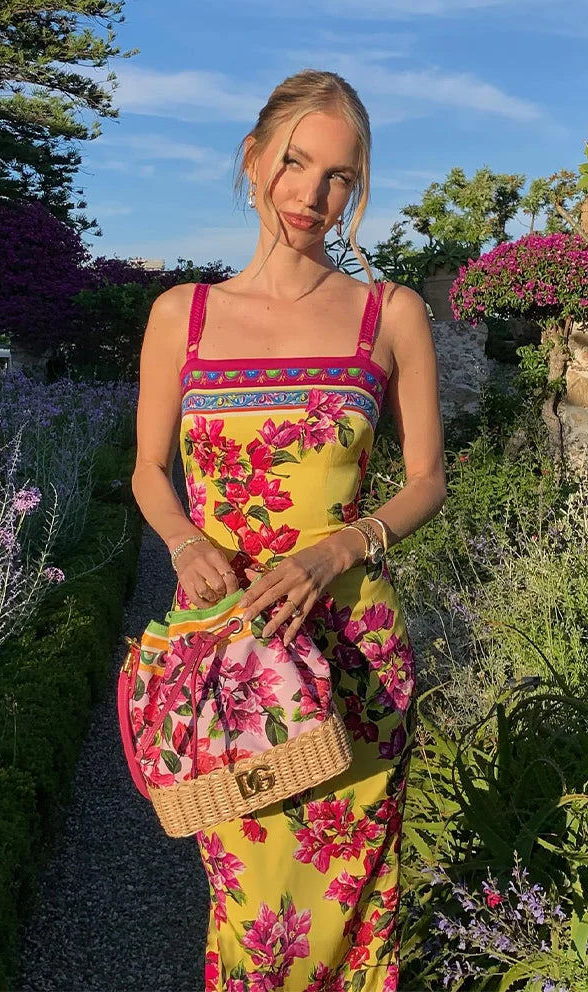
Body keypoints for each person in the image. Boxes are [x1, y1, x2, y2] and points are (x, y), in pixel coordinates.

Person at [132, 69, 446, 992]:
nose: (313, 195)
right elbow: (149, 473)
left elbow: (428, 477)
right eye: (296, 163)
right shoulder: (179, 317)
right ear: (254, 159)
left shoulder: (390, 315)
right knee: (255, 921)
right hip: (234, 669)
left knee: (354, 921)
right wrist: (188, 543)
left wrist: (343, 546)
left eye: (340, 175)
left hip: (356, 656)